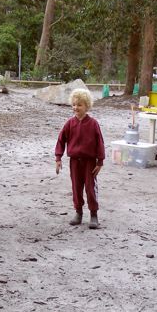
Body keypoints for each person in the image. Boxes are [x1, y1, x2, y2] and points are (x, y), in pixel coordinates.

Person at [55, 88, 105, 229]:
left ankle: (94, 214)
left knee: (90, 188)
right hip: (75, 162)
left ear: (87, 106)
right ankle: (78, 212)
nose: (76, 107)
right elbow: (61, 140)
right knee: (76, 188)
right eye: (74, 104)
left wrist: (100, 161)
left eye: (80, 105)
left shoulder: (93, 124)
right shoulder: (69, 124)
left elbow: (100, 142)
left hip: (90, 162)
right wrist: (58, 157)